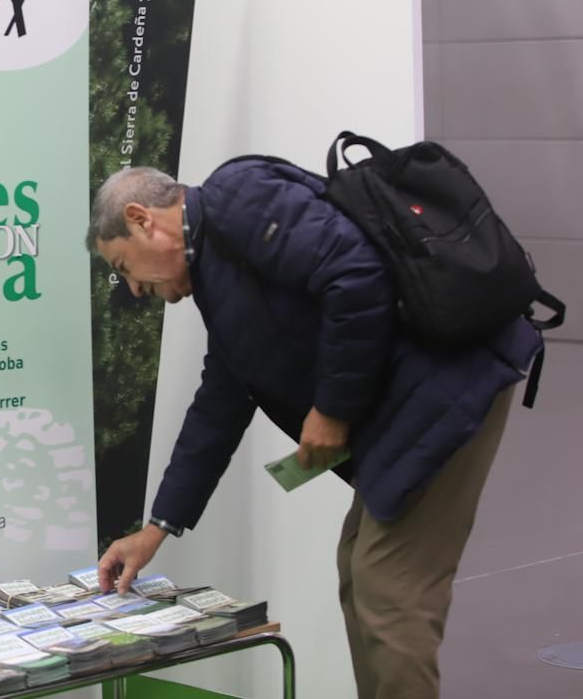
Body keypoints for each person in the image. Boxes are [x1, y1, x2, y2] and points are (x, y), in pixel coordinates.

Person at [87, 161, 541, 699]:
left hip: (449, 387)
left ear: (142, 220)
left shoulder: (239, 196)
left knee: (390, 591)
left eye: (124, 266)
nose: (135, 288)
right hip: (410, 409)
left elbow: (356, 275)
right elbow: (220, 403)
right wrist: (157, 526)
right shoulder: (217, 273)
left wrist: (332, 408)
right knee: (359, 569)